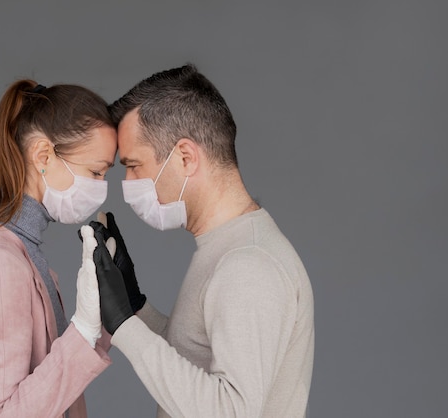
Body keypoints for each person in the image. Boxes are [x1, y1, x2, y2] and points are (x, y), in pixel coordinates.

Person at [89, 64, 315, 417]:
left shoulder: (248, 263)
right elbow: (198, 360)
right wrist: (135, 307)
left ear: (185, 157)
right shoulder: (229, 248)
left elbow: (231, 410)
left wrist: (124, 327)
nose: (128, 182)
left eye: (134, 165)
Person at [0, 80, 117, 418]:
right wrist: (82, 331)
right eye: (95, 172)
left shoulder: (22, 254)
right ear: (43, 155)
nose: (100, 189)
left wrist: (105, 317)